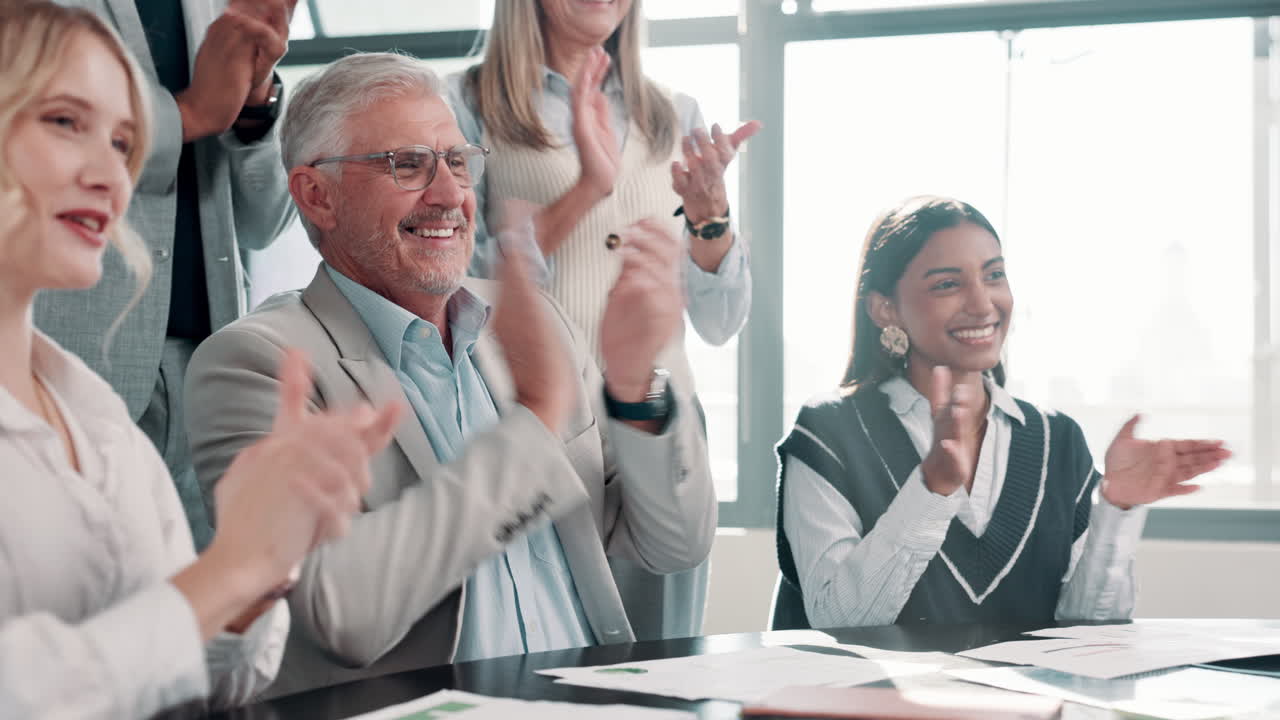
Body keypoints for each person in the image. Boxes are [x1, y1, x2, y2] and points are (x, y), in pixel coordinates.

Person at [184, 52, 717, 697]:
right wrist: (535, 424)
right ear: (316, 196)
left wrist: (638, 392)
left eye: (458, 162)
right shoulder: (257, 365)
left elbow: (675, 545)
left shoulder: (532, 323)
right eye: (407, 165)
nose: (449, 195)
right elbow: (336, 617)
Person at [0, 4, 400, 717]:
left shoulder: (100, 431)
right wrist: (231, 570)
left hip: (192, 338)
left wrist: (259, 565)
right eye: (65, 122)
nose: (111, 173)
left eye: (126, 140)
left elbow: (211, 679)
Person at [447, 0, 759, 642]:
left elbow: (722, 320)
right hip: (534, 427)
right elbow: (453, 280)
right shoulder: (465, 102)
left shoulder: (676, 114)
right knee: (537, 657)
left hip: (656, 421)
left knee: (665, 664)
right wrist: (588, 186)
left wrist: (709, 219)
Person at [772, 196, 1231, 630]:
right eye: (948, 284)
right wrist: (932, 489)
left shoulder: (1057, 439)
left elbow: (1087, 635)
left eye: (994, 275)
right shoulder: (829, 432)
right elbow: (835, 621)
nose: (982, 303)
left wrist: (1116, 507)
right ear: (884, 308)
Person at [36, 0, 299, 549]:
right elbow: (27, 126)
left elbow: (263, 221)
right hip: (72, 358)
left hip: (211, 361)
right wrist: (189, 114)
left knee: (206, 613)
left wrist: (256, 105)